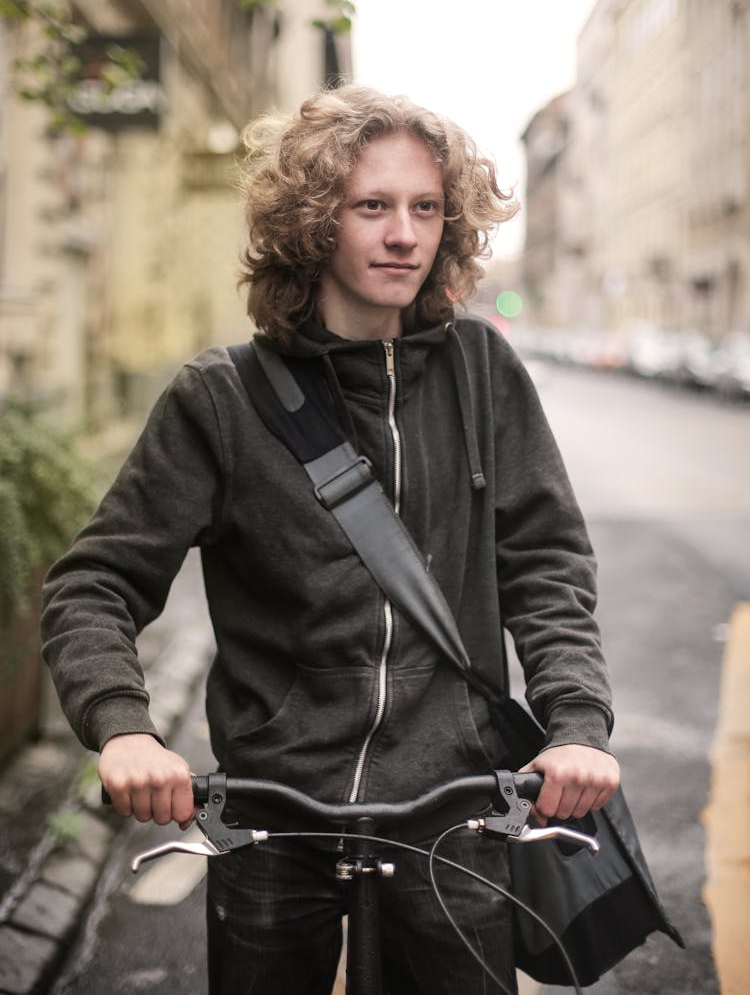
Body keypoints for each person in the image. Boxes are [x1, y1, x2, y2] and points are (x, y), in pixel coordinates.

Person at [41, 85, 620, 994]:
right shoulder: (220, 400)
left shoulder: (482, 372)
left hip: (455, 812)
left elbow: (547, 565)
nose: (405, 234)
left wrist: (576, 725)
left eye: (426, 207)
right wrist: (123, 729)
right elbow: (94, 583)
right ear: (313, 222)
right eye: (373, 206)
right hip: (278, 816)